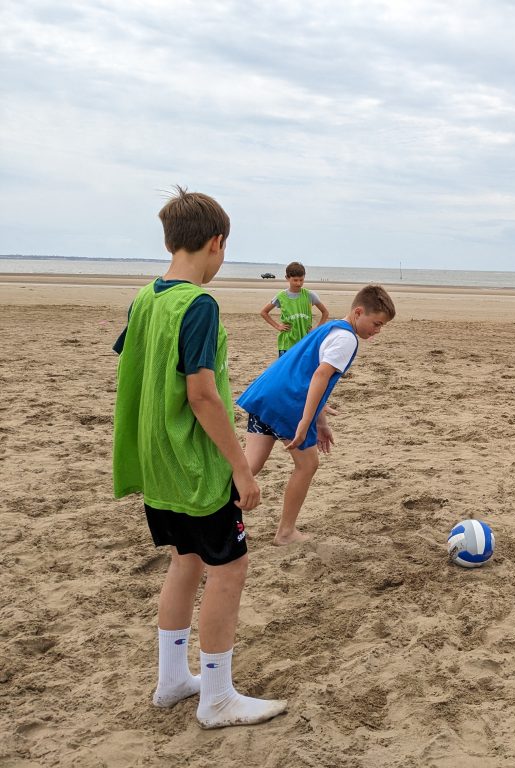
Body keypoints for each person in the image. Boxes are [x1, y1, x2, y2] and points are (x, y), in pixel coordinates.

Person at [112, 186, 287, 729]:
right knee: (230, 567)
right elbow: (203, 395)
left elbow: (134, 357)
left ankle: (171, 681)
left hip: (157, 462)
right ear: (216, 242)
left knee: (185, 559)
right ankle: (216, 696)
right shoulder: (199, 304)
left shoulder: (146, 298)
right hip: (194, 464)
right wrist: (240, 467)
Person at [238, 285, 396, 545]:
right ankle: (286, 532)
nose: (377, 330)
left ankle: (206, 512)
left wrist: (321, 421)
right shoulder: (347, 339)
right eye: (376, 323)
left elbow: (309, 370)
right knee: (308, 464)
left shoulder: (330, 327)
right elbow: (320, 375)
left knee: (247, 467)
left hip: (268, 393)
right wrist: (305, 420)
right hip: (289, 402)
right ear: (358, 312)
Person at [259, 261, 330, 356]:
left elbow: (325, 312)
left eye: (301, 280)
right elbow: (264, 312)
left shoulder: (309, 295)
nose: (298, 283)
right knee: (286, 365)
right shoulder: (281, 296)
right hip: (287, 342)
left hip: (306, 340)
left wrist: (317, 330)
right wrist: (278, 326)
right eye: (295, 280)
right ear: (287, 278)